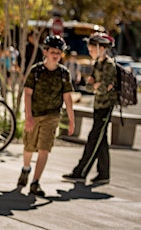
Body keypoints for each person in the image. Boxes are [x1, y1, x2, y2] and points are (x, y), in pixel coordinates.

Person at [17, 35, 75, 196]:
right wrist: (28, 116)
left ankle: (35, 182)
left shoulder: (64, 73)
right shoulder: (36, 71)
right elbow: (27, 94)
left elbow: (67, 97)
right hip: (34, 115)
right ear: (45, 52)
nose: (55, 55)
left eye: (58, 52)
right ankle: (26, 169)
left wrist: (71, 120)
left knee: (44, 149)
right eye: (52, 52)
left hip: (52, 116)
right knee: (29, 147)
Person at [62, 33, 118, 185]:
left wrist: (96, 85)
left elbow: (103, 88)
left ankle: (80, 172)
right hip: (97, 106)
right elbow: (89, 86)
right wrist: (95, 85)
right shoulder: (97, 64)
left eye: (92, 49)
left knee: (94, 139)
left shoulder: (109, 65)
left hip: (106, 107)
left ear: (101, 48)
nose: (90, 51)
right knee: (101, 140)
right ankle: (104, 174)